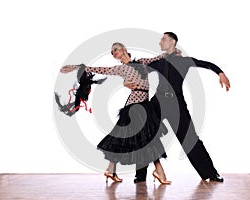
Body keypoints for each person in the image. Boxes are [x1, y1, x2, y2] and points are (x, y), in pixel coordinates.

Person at [124, 32, 230, 183]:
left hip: (177, 105)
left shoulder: (184, 61)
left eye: (163, 39)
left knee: (190, 139)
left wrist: (220, 73)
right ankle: (140, 176)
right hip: (158, 102)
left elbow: (206, 64)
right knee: (145, 134)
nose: (160, 42)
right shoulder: (159, 61)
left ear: (172, 42)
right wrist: (126, 82)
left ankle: (211, 173)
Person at [60, 42, 171, 184]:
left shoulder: (142, 63)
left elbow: (156, 59)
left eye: (115, 49)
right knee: (141, 139)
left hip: (144, 106)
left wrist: (171, 52)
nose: (114, 53)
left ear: (124, 49)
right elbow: (101, 69)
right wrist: (76, 67)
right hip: (133, 107)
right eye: (112, 52)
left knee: (141, 139)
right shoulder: (121, 69)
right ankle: (158, 171)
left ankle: (111, 170)